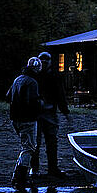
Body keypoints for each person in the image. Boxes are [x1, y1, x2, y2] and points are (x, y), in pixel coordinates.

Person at [6, 57, 44, 193]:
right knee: (29, 147)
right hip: (27, 119)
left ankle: (18, 177)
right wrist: (40, 107)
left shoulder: (18, 79)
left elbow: (8, 95)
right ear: (37, 68)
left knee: (25, 146)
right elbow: (32, 101)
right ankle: (20, 177)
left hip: (15, 118)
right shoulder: (32, 82)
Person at [34, 51, 72, 179]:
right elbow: (61, 95)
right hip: (38, 114)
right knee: (38, 143)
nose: (44, 63)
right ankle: (37, 170)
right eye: (42, 61)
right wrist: (66, 113)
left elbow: (60, 95)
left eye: (46, 61)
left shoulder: (51, 76)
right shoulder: (35, 76)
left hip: (47, 114)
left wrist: (65, 111)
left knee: (49, 143)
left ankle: (50, 169)